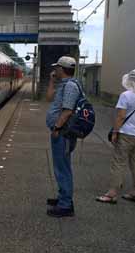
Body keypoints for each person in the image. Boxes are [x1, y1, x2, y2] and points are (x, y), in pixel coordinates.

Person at [96, 69, 135, 204]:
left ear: (131, 81)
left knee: (118, 163)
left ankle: (112, 194)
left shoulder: (126, 95)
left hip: (127, 134)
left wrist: (115, 132)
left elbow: (121, 116)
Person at [45, 56, 81, 218]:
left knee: (62, 168)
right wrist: (52, 81)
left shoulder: (71, 87)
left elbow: (67, 111)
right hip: (61, 132)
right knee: (60, 166)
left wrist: (57, 127)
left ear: (62, 69)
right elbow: (49, 97)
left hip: (63, 133)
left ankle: (66, 205)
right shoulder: (64, 85)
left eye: (57, 68)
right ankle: (62, 198)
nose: (55, 71)